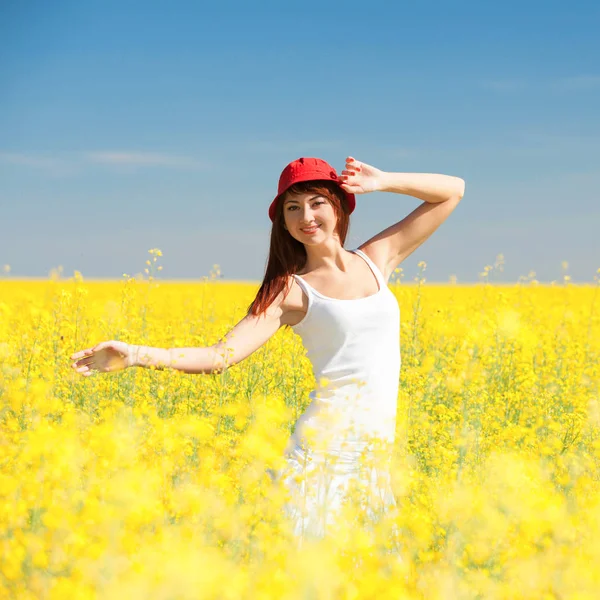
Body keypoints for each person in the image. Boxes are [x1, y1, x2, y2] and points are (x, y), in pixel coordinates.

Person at [70, 156, 465, 549]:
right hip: (324, 455)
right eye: (292, 208)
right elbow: (218, 357)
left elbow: (452, 192)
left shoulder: (378, 258)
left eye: (316, 202)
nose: (305, 216)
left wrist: (383, 181)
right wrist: (136, 354)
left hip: (374, 458)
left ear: (339, 205)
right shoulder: (291, 291)